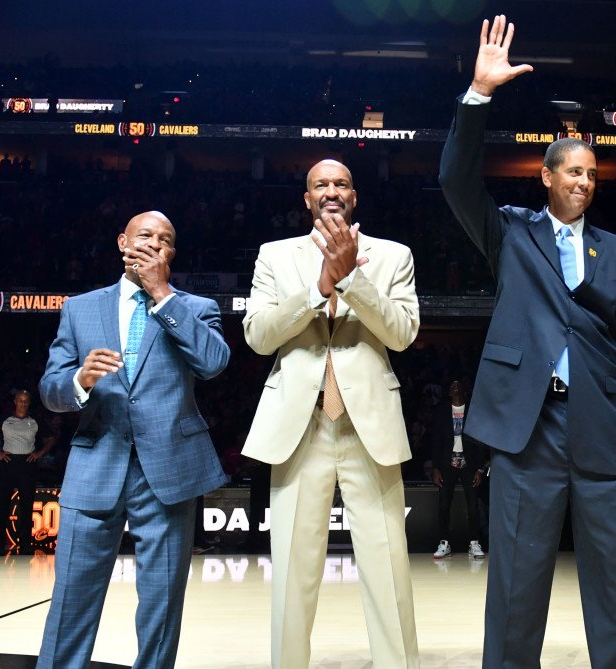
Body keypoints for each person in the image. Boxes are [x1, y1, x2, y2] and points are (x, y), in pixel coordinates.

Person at [439, 16, 616, 668]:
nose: (583, 181)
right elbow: (456, 180)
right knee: (515, 591)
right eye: (571, 171)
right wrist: (478, 96)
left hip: (605, 430)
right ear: (545, 177)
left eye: (592, 174)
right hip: (527, 429)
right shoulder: (510, 234)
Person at [242, 159, 420, 669]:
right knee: (294, 575)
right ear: (307, 199)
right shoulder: (275, 256)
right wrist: (320, 288)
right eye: (320, 184)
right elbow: (259, 336)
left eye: (341, 183)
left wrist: (351, 283)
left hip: (370, 429)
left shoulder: (392, 256)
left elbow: (403, 333)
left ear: (355, 196)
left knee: (388, 571)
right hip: (300, 428)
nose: (331, 190)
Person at [36, 210, 230, 669]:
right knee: (70, 603)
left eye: (165, 240)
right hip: (95, 466)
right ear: (123, 242)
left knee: (161, 609)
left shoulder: (196, 308)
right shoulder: (80, 308)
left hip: (169, 472)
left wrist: (161, 293)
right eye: (145, 235)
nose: (154, 244)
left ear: (171, 255)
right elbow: (50, 389)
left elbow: (214, 363)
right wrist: (80, 380)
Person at [0, 389, 55, 554]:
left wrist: (39, 453)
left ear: (29, 402)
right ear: (15, 401)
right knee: (1, 505)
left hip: (27, 463)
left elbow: (51, 438)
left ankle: (25, 545)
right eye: (20, 400)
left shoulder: (35, 420)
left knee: (26, 506)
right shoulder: (5, 418)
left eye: (26, 400)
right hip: (7, 462)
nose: (23, 403)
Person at [430, 379, 485, 559]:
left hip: (468, 463)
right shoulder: (443, 412)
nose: (455, 386)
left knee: (473, 505)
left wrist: (480, 468)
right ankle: (444, 543)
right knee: (444, 504)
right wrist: (436, 467)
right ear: (448, 392)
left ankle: (474, 543)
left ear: (463, 390)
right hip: (448, 462)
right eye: (451, 384)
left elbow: (479, 441)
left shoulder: (473, 411)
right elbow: (436, 440)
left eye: (458, 384)